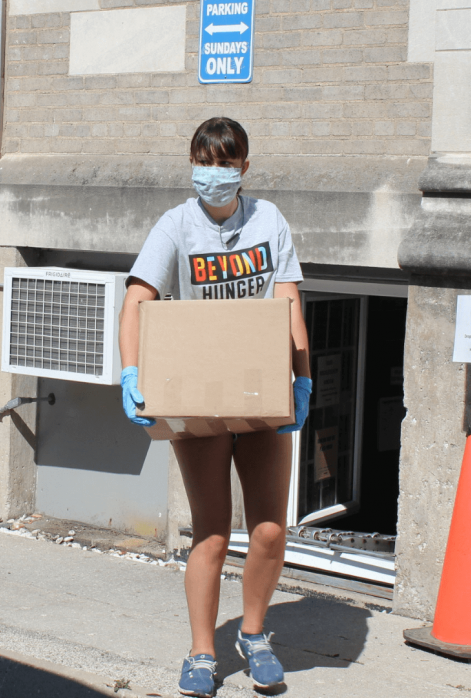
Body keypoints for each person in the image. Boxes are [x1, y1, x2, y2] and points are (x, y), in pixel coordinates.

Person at [117, 117, 311, 696]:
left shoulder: (268, 220)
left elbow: (290, 304)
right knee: (212, 532)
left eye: (226, 163)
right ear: (192, 165)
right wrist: (131, 374)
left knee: (271, 531)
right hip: (199, 395)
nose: (214, 173)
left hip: (260, 390)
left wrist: (302, 380)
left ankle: (253, 634)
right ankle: (202, 651)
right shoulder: (176, 226)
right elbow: (136, 301)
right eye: (204, 161)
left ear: (244, 168)